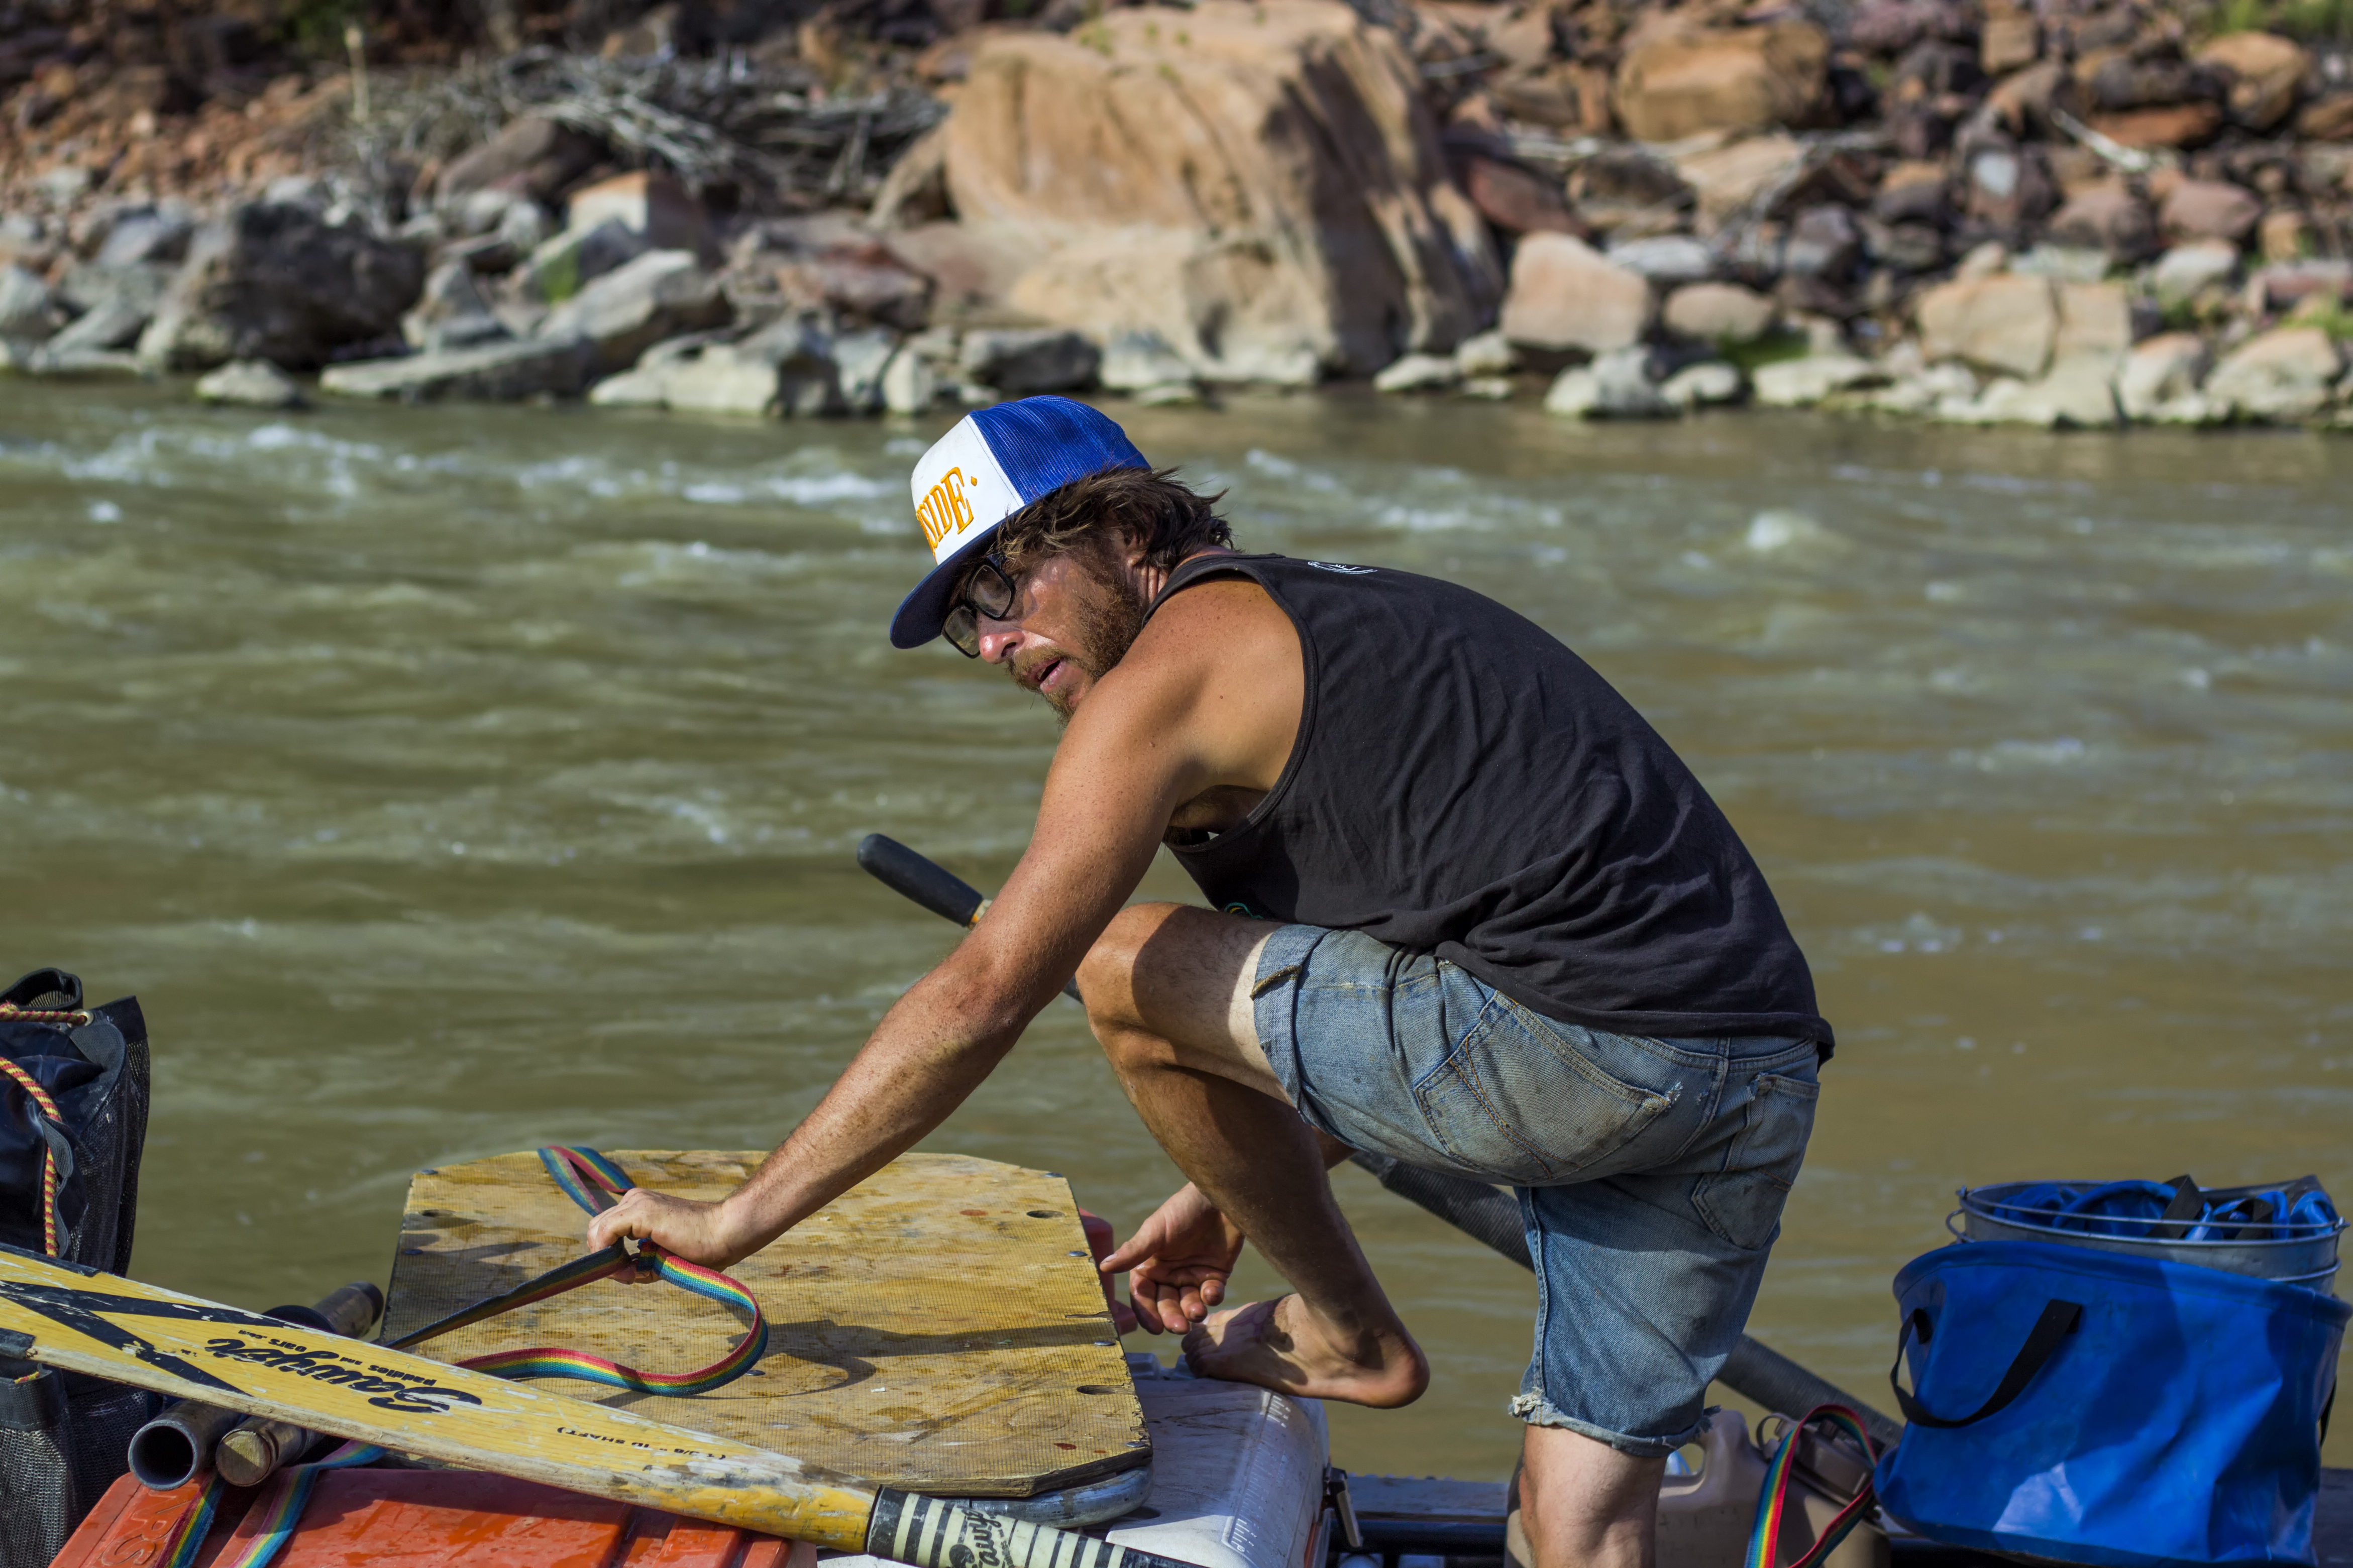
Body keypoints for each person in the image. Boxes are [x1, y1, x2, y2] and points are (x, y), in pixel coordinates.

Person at [587, 396, 1834, 1568]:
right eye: (964, 618)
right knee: (1581, 1516)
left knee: (1115, 957)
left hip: (1585, 1050)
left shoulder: (1173, 667)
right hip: (1748, 1074)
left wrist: (732, 1221)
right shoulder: (1331, 628)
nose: (993, 642)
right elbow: (1444, 966)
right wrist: (1222, 1189)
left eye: (1001, 584)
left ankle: (1345, 1332)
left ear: (1128, 530)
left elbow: (989, 990)